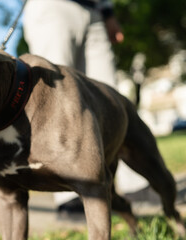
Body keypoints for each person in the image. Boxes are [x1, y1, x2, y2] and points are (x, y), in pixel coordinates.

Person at [23, 0, 147, 217]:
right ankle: (69, 197)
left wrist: (108, 13)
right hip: (52, 7)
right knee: (55, 98)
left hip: (94, 9)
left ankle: (129, 187)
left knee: (110, 98)